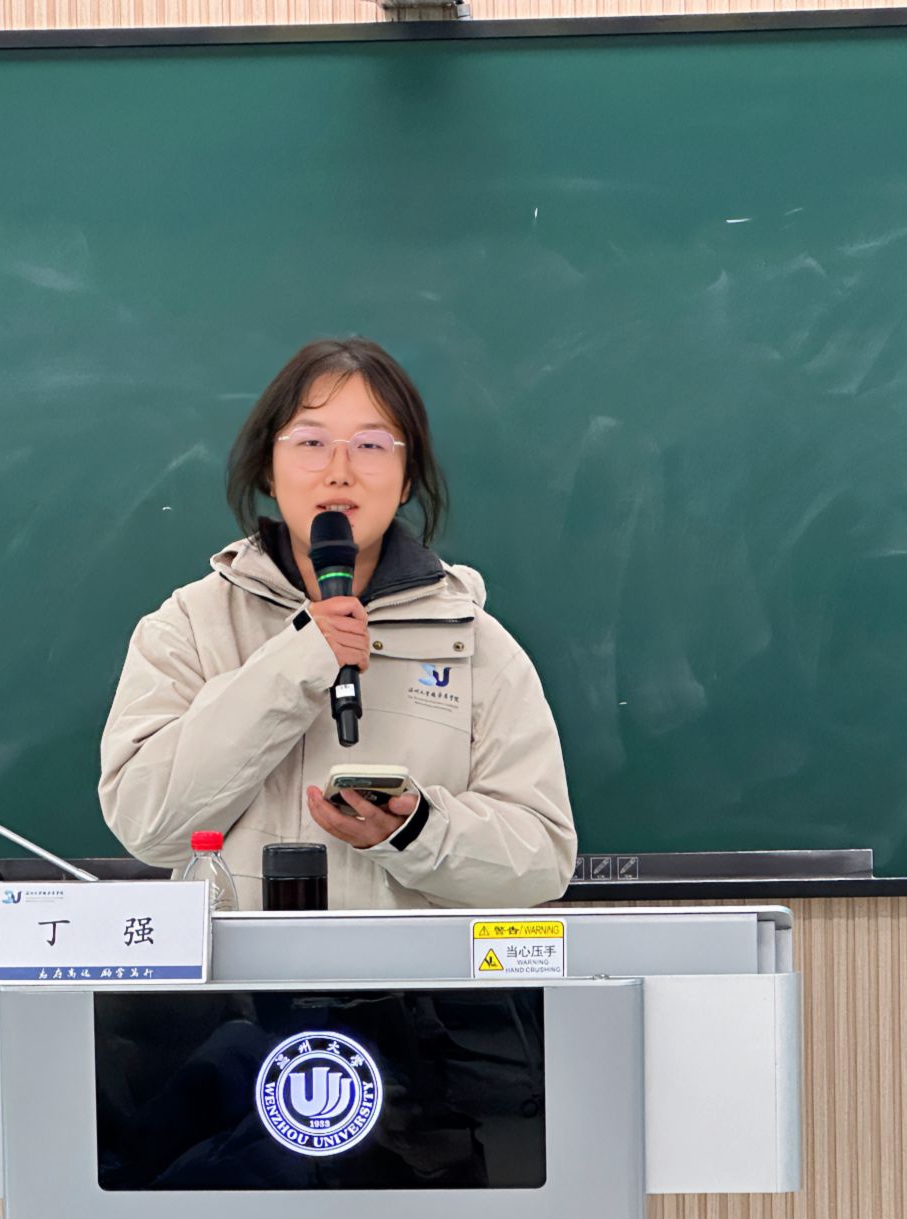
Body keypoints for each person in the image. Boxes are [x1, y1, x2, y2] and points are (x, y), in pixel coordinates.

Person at [99, 337, 575, 910]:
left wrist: (415, 833)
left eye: (371, 445)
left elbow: (542, 863)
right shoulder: (191, 625)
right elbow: (149, 828)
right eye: (311, 442)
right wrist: (295, 662)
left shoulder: (472, 644)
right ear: (269, 470)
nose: (339, 471)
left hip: (408, 970)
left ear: (406, 480)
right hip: (242, 969)